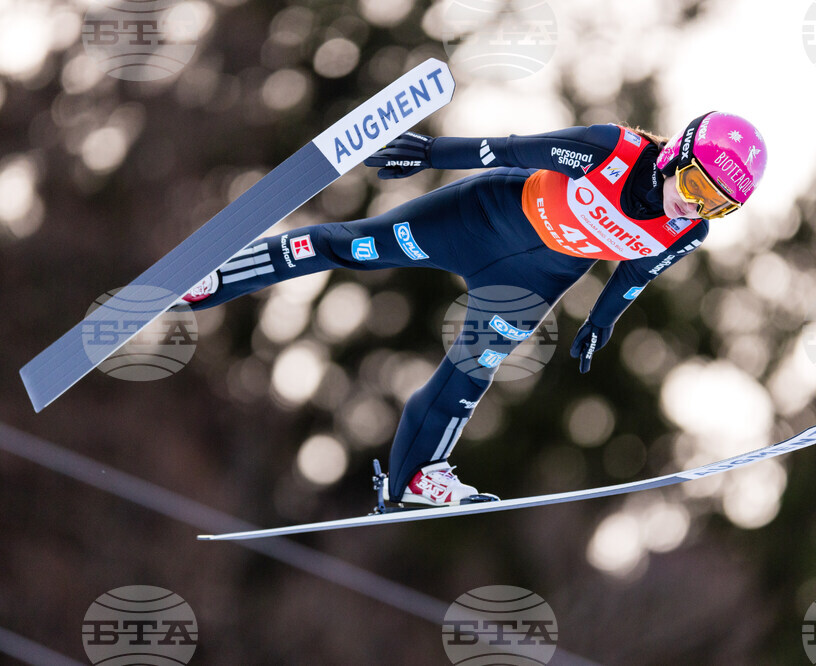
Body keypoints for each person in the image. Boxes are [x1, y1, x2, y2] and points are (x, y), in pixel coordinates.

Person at [178, 112, 768, 507]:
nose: (693, 206)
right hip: (479, 220)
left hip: (531, 281)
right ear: (676, 156)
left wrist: (600, 322)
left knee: (471, 371)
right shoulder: (610, 151)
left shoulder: (683, 233)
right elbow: (507, 148)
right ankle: (217, 277)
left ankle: (417, 477)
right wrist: (432, 151)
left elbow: (635, 273)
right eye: (695, 186)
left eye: (716, 207)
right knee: (353, 248)